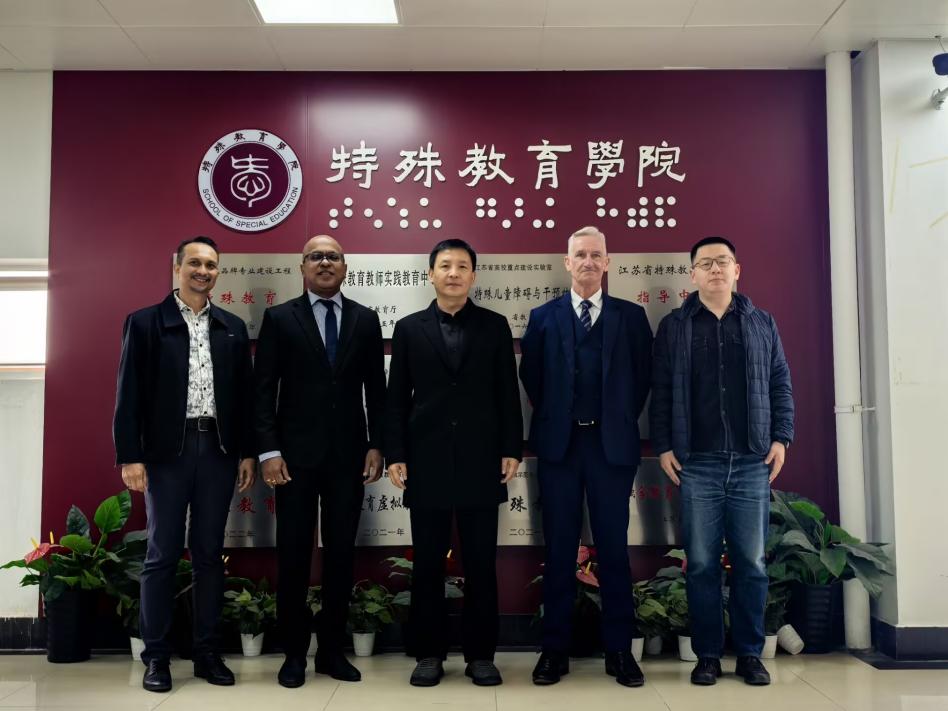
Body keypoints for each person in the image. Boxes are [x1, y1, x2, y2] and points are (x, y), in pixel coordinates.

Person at [113, 235, 256, 693]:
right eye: (194, 263)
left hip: (218, 450)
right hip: (166, 455)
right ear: (176, 267)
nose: (203, 271)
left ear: (218, 272)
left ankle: (207, 653)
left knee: (209, 555)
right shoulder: (146, 322)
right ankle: (156, 657)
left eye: (211, 265)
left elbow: (245, 398)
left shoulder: (232, 327)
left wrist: (247, 451)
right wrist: (130, 455)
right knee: (162, 554)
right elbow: (128, 394)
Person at [651, 235, 794, 686]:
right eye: (706, 263)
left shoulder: (761, 322)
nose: (715, 269)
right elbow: (661, 390)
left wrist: (782, 437)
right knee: (701, 564)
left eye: (723, 261)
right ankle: (708, 655)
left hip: (752, 459)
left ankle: (750, 654)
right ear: (692, 273)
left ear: (737, 270)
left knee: (751, 563)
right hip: (698, 462)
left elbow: (780, 381)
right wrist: (663, 444)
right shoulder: (675, 326)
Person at [384, 238, 522, 687]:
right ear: (431, 274)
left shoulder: (495, 325)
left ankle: (481, 656)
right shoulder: (409, 328)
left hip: (483, 460)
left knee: (481, 563)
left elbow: (508, 393)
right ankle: (429, 653)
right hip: (426, 462)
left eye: (462, 266)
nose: (454, 273)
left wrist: (511, 448)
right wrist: (396, 454)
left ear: (473, 276)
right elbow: (395, 398)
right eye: (445, 265)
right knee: (427, 563)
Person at [519, 226, 652, 688]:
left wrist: (614, 417)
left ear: (608, 263)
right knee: (559, 549)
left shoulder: (631, 317)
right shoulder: (543, 317)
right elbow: (532, 376)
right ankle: (554, 650)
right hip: (559, 447)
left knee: (613, 548)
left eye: (597, 255)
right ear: (567, 262)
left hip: (611, 448)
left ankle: (620, 650)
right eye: (581, 255)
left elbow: (642, 379)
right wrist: (560, 416)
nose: (589, 262)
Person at [253, 234, 386, 688]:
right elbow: (263, 390)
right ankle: (293, 653)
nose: (325, 262)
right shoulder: (279, 318)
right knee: (292, 555)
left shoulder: (365, 319)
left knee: (341, 555)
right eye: (316, 256)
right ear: (302, 267)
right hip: (292, 460)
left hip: (349, 457)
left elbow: (377, 390)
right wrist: (269, 451)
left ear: (345, 267)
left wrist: (377, 444)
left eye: (333, 256)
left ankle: (331, 650)